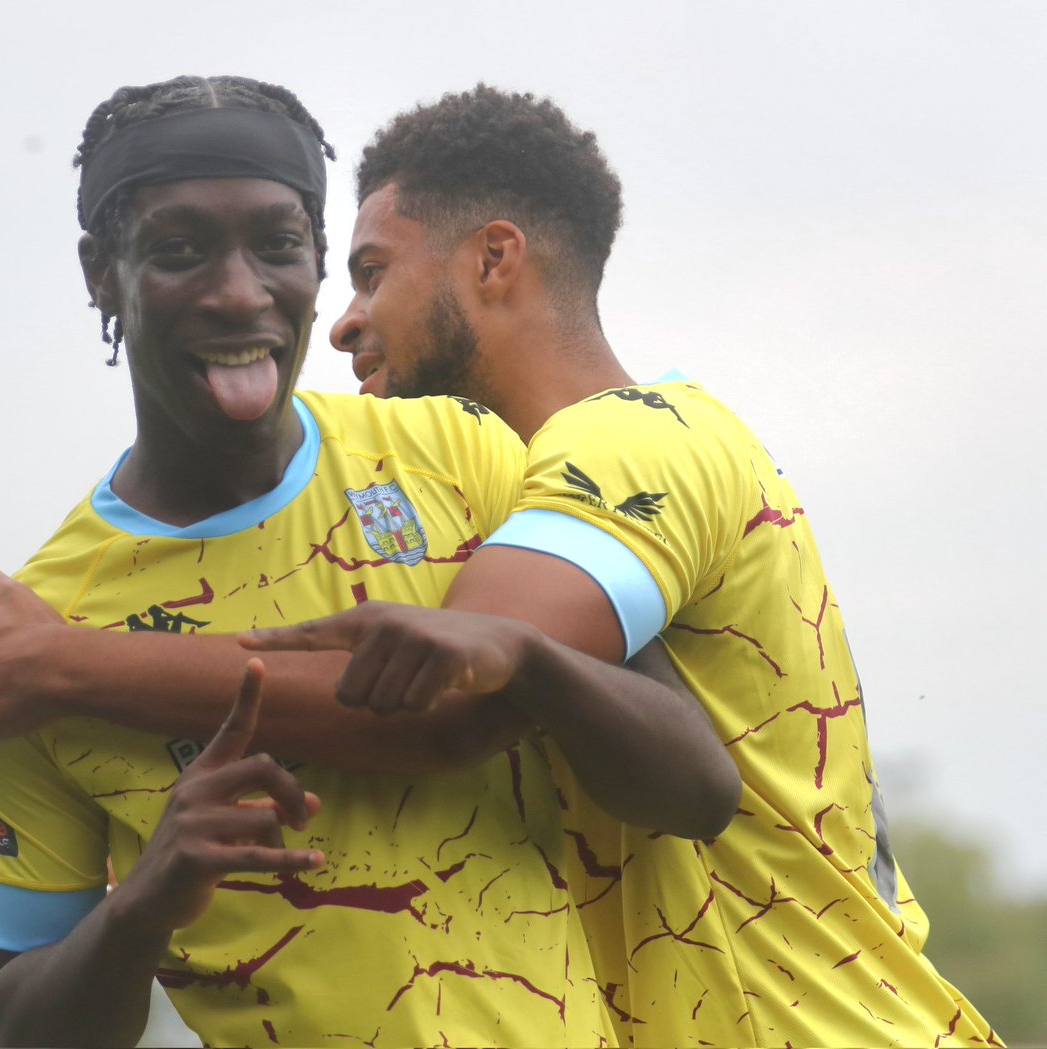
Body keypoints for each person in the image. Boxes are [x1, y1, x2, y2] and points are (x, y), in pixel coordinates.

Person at [0, 74, 736, 1049]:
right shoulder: (34, 636)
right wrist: (139, 906)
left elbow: (698, 789)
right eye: (179, 251)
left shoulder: (465, 453)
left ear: (320, 261)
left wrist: (531, 659)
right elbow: (25, 1014)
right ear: (101, 273)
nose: (240, 292)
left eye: (278, 245)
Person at [240, 85, 1000, 1047]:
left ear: (494, 258)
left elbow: (448, 697)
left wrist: (66, 672)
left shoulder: (631, 443)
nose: (345, 321)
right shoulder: (559, 485)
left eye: (372, 271)